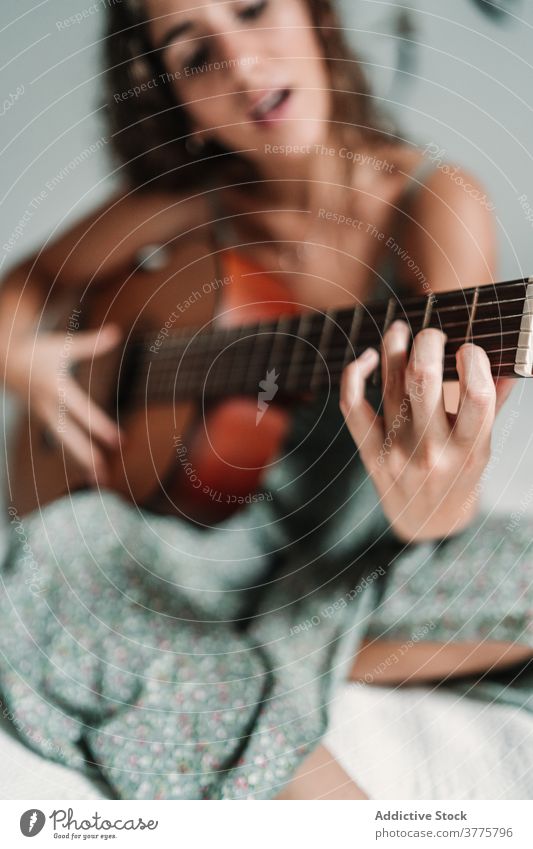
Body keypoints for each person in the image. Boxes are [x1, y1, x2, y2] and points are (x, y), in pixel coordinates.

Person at [0, 0, 532, 800]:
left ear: (315, 17)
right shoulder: (191, 206)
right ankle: (285, 663)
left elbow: (441, 499)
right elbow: (21, 286)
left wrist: (433, 494)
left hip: (375, 554)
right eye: (193, 53)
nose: (242, 64)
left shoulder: (435, 200)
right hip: (192, 544)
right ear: (175, 97)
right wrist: (25, 365)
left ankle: (292, 643)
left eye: (252, 10)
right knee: (65, 565)